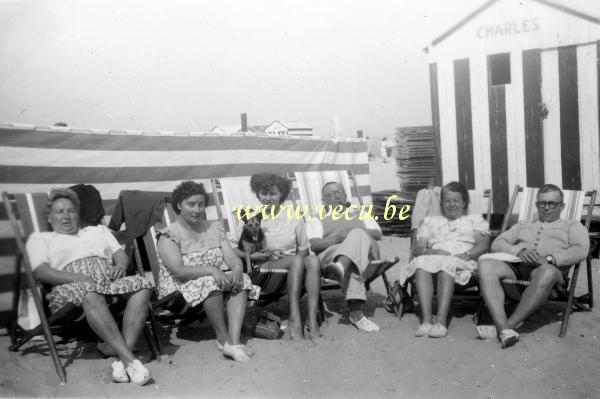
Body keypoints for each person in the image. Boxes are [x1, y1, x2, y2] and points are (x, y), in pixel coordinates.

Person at [25, 188, 153, 385]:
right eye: (60, 212)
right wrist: (75, 277)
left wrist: (119, 266)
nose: (66, 216)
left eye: (71, 211)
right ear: (49, 217)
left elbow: (119, 253)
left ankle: (119, 357)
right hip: (71, 286)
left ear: (78, 213)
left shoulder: (98, 231)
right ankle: (130, 360)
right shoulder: (42, 239)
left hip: (108, 281)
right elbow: (41, 272)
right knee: (90, 293)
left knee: (142, 286)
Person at [156, 181, 260, 361]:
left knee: (240, 278)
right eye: (191, 204)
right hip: (178, 291)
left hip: (209, 282)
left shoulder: (214, 228)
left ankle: (233, 342)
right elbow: (179, 271)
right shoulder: (168, 235)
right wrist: (212, 269)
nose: (197, 209)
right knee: (212, 281)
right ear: (179, 205)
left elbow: (231, 257)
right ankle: (222, 337)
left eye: (201, 204)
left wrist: (236, 267)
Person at [478, 184, 589, 348]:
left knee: (547, 272)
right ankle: (503, 328)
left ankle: (507, 326)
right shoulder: (524, 224)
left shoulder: (572, 225)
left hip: (550, 272)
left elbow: (581, 249)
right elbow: (498, 242)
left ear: (562, 206)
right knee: (486, 264)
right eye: (542, 203)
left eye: (552, 203)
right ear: (536, 204)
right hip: (518, 268)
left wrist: (552, 258)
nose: (546, 207)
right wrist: (518, 250)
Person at [399, 181, 489, 338]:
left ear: (464, 203)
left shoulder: (474, 220)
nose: (451, 204)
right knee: (420, 263)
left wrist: (468, 254)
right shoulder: (431, 222)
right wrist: (435, 251)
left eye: (456, 200)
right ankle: (426, 320)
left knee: (446, 264)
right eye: (447, 201)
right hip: (433, 257)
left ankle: (440, 321)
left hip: (460, 262)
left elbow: (483, 244)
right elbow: (418, 249)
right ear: (441, 203)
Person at [245, 173, 322, 340]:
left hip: (294, 267)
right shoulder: (252, 220)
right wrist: (259, 255)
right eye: (263, 193)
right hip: (264, 271)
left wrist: (294, 260)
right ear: (257, 194)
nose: (268, 198)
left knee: (314, 260)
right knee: (296, 259)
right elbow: (239, 251)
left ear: (282, 194)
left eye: (273, 193)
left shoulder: (294, 217)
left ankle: (312, 320)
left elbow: (304, 249)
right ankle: (295, 317)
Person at [307, 181, 384, 332]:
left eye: (339, 192)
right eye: (331, 194)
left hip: (368, 253)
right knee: (352, 256)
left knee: (356, 235)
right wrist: (336, 238)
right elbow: (314, 245)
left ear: (345, 195)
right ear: (324, 201)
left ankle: (341, 266)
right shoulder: (316, 218)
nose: (336, 196)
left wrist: (353, 233)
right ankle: (356, 315)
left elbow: (377, 233)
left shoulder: (360, 211)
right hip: (334, 254)